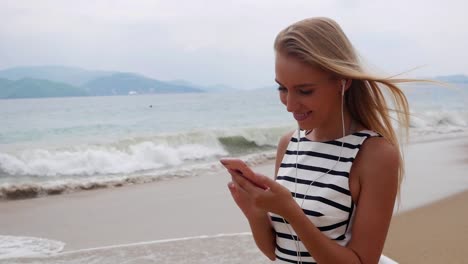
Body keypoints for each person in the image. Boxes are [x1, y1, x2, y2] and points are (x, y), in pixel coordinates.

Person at [226, 17, 411, 263]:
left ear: (342, 83)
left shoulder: (375, 154)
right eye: (282, 88)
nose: (290, 105)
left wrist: (292, 213)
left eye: (305, 91)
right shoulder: (289, 144)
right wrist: (254, 212)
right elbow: (276, 252)